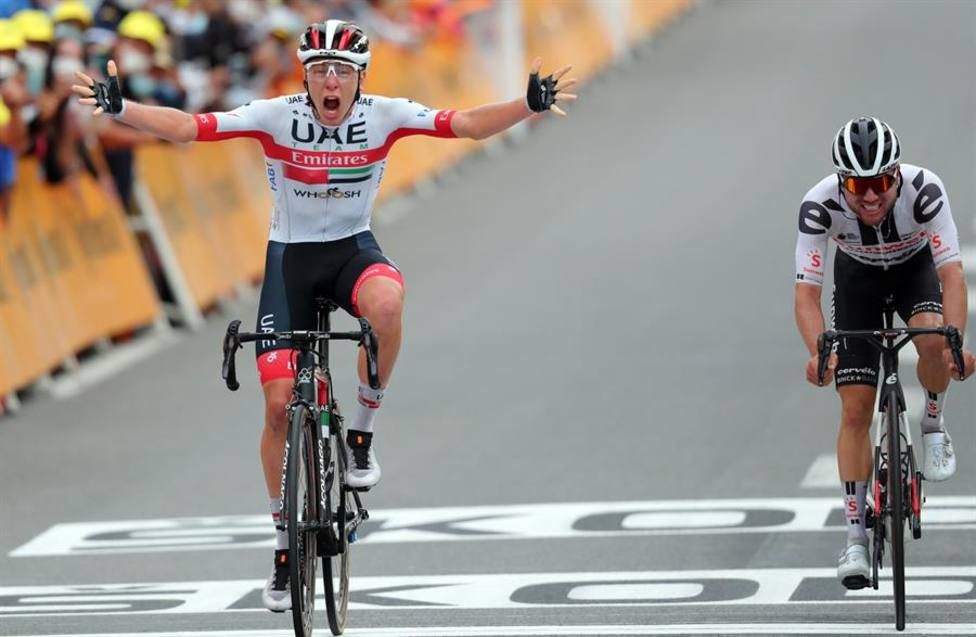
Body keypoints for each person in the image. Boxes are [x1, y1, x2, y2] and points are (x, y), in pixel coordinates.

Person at [73, 18, 576, 612]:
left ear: (360, 78)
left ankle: (360, 431)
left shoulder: (385, 115)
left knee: (387, 301)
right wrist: (119, 106)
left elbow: (462, 124)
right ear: (304, 77)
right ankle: (286, 547)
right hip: (289, 263)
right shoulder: (275, 116)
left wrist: (527, 103)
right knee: (279, 406)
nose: (329, 83)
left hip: (351, 252)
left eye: (341, 72)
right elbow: (187, 127)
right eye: (318, 72)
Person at [794, 116, 975, 590]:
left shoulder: (926, 191)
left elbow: (952, 275)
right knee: (855, 408)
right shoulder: (818, 205)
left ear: (897, 174)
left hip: (915, 271)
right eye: (857, 185)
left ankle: (933, 422)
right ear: (840, 182)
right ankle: (855, 537)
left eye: (880, 183)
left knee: (935, 340)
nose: (871, 196)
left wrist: (956, 340)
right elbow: (807, 296)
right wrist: (819, 350)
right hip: (858, 283)